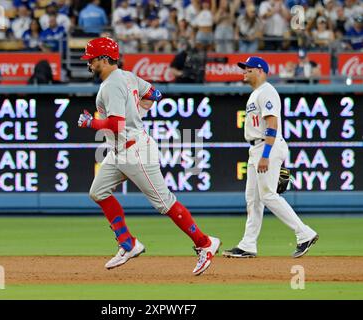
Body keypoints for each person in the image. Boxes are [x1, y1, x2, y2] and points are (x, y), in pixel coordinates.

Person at [77, 37, 220, 275]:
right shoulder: (128, 76)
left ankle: (205, 243)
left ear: (103, 59)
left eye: (91, 59)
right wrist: (139, 110)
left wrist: (92, 122)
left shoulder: (111, 84)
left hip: (135, 151)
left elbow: (116, 124)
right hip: (120, 150)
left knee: (164, 203)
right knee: (98, 191)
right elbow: (156, 94)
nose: (89, 64)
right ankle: (128, 244)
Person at [222, 56, 319, 259]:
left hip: (267, 147)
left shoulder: (267, 91)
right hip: (256, 148)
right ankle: (248, 244)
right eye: (244, 68)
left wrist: (266, 155)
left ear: (260, 71)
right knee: (253, 198)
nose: (244, 71)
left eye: (248, 69)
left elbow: (272, 124)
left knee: (268, 195)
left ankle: (305, 233)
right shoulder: (256, 94)